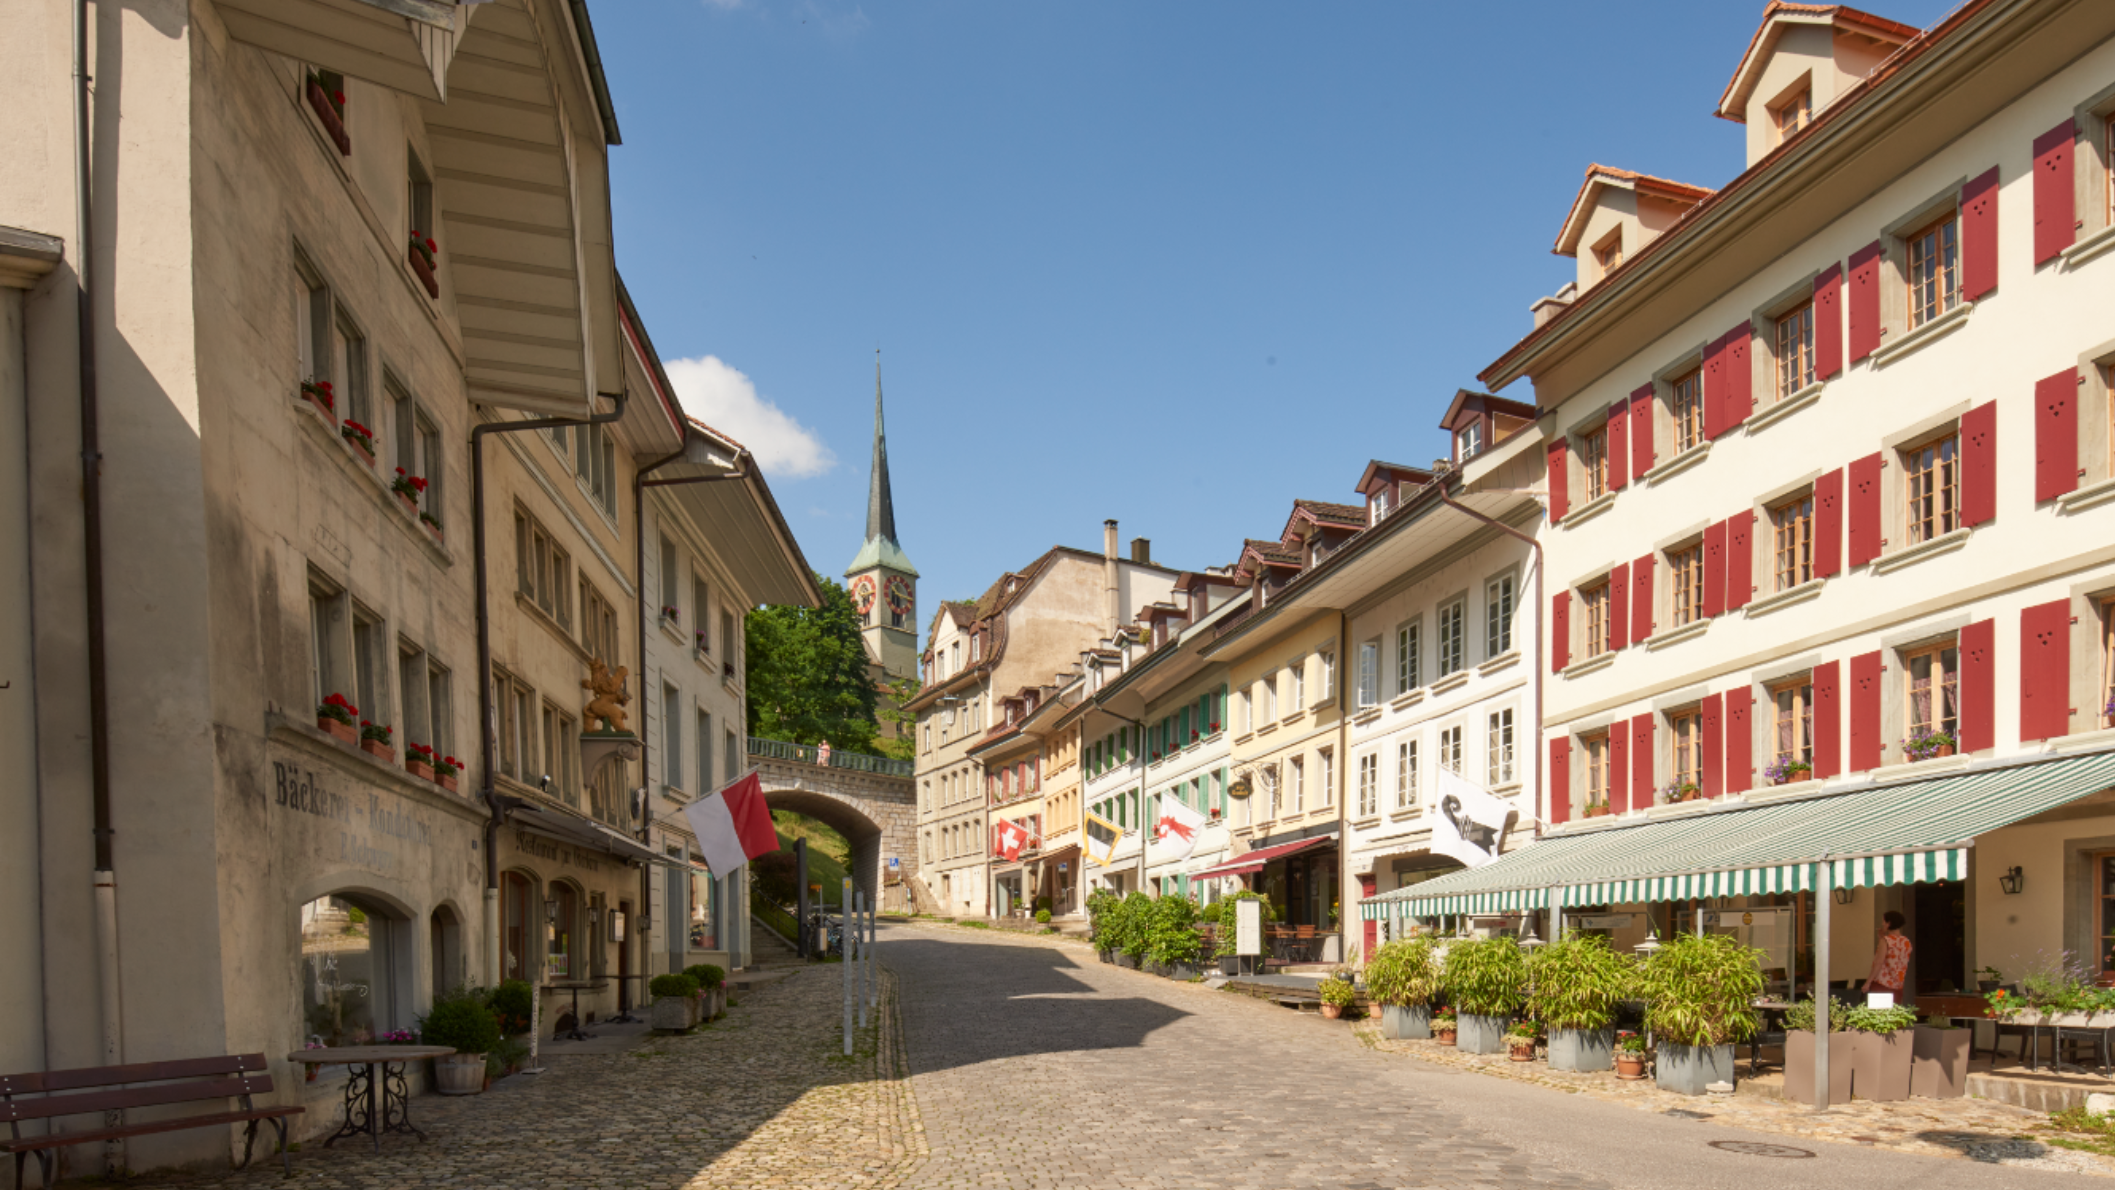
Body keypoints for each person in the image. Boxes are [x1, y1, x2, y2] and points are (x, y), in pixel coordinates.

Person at [1864, 910, 1913, 1000]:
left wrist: (1868, 982)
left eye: (1884, 921)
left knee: (1880, 1012)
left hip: (1882, 984)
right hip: (1898, 985)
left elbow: (1879, 962)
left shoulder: (1886, 941)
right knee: (1893, 1012)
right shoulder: (1906, 942)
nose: (1882, 924)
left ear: (1889, 923)